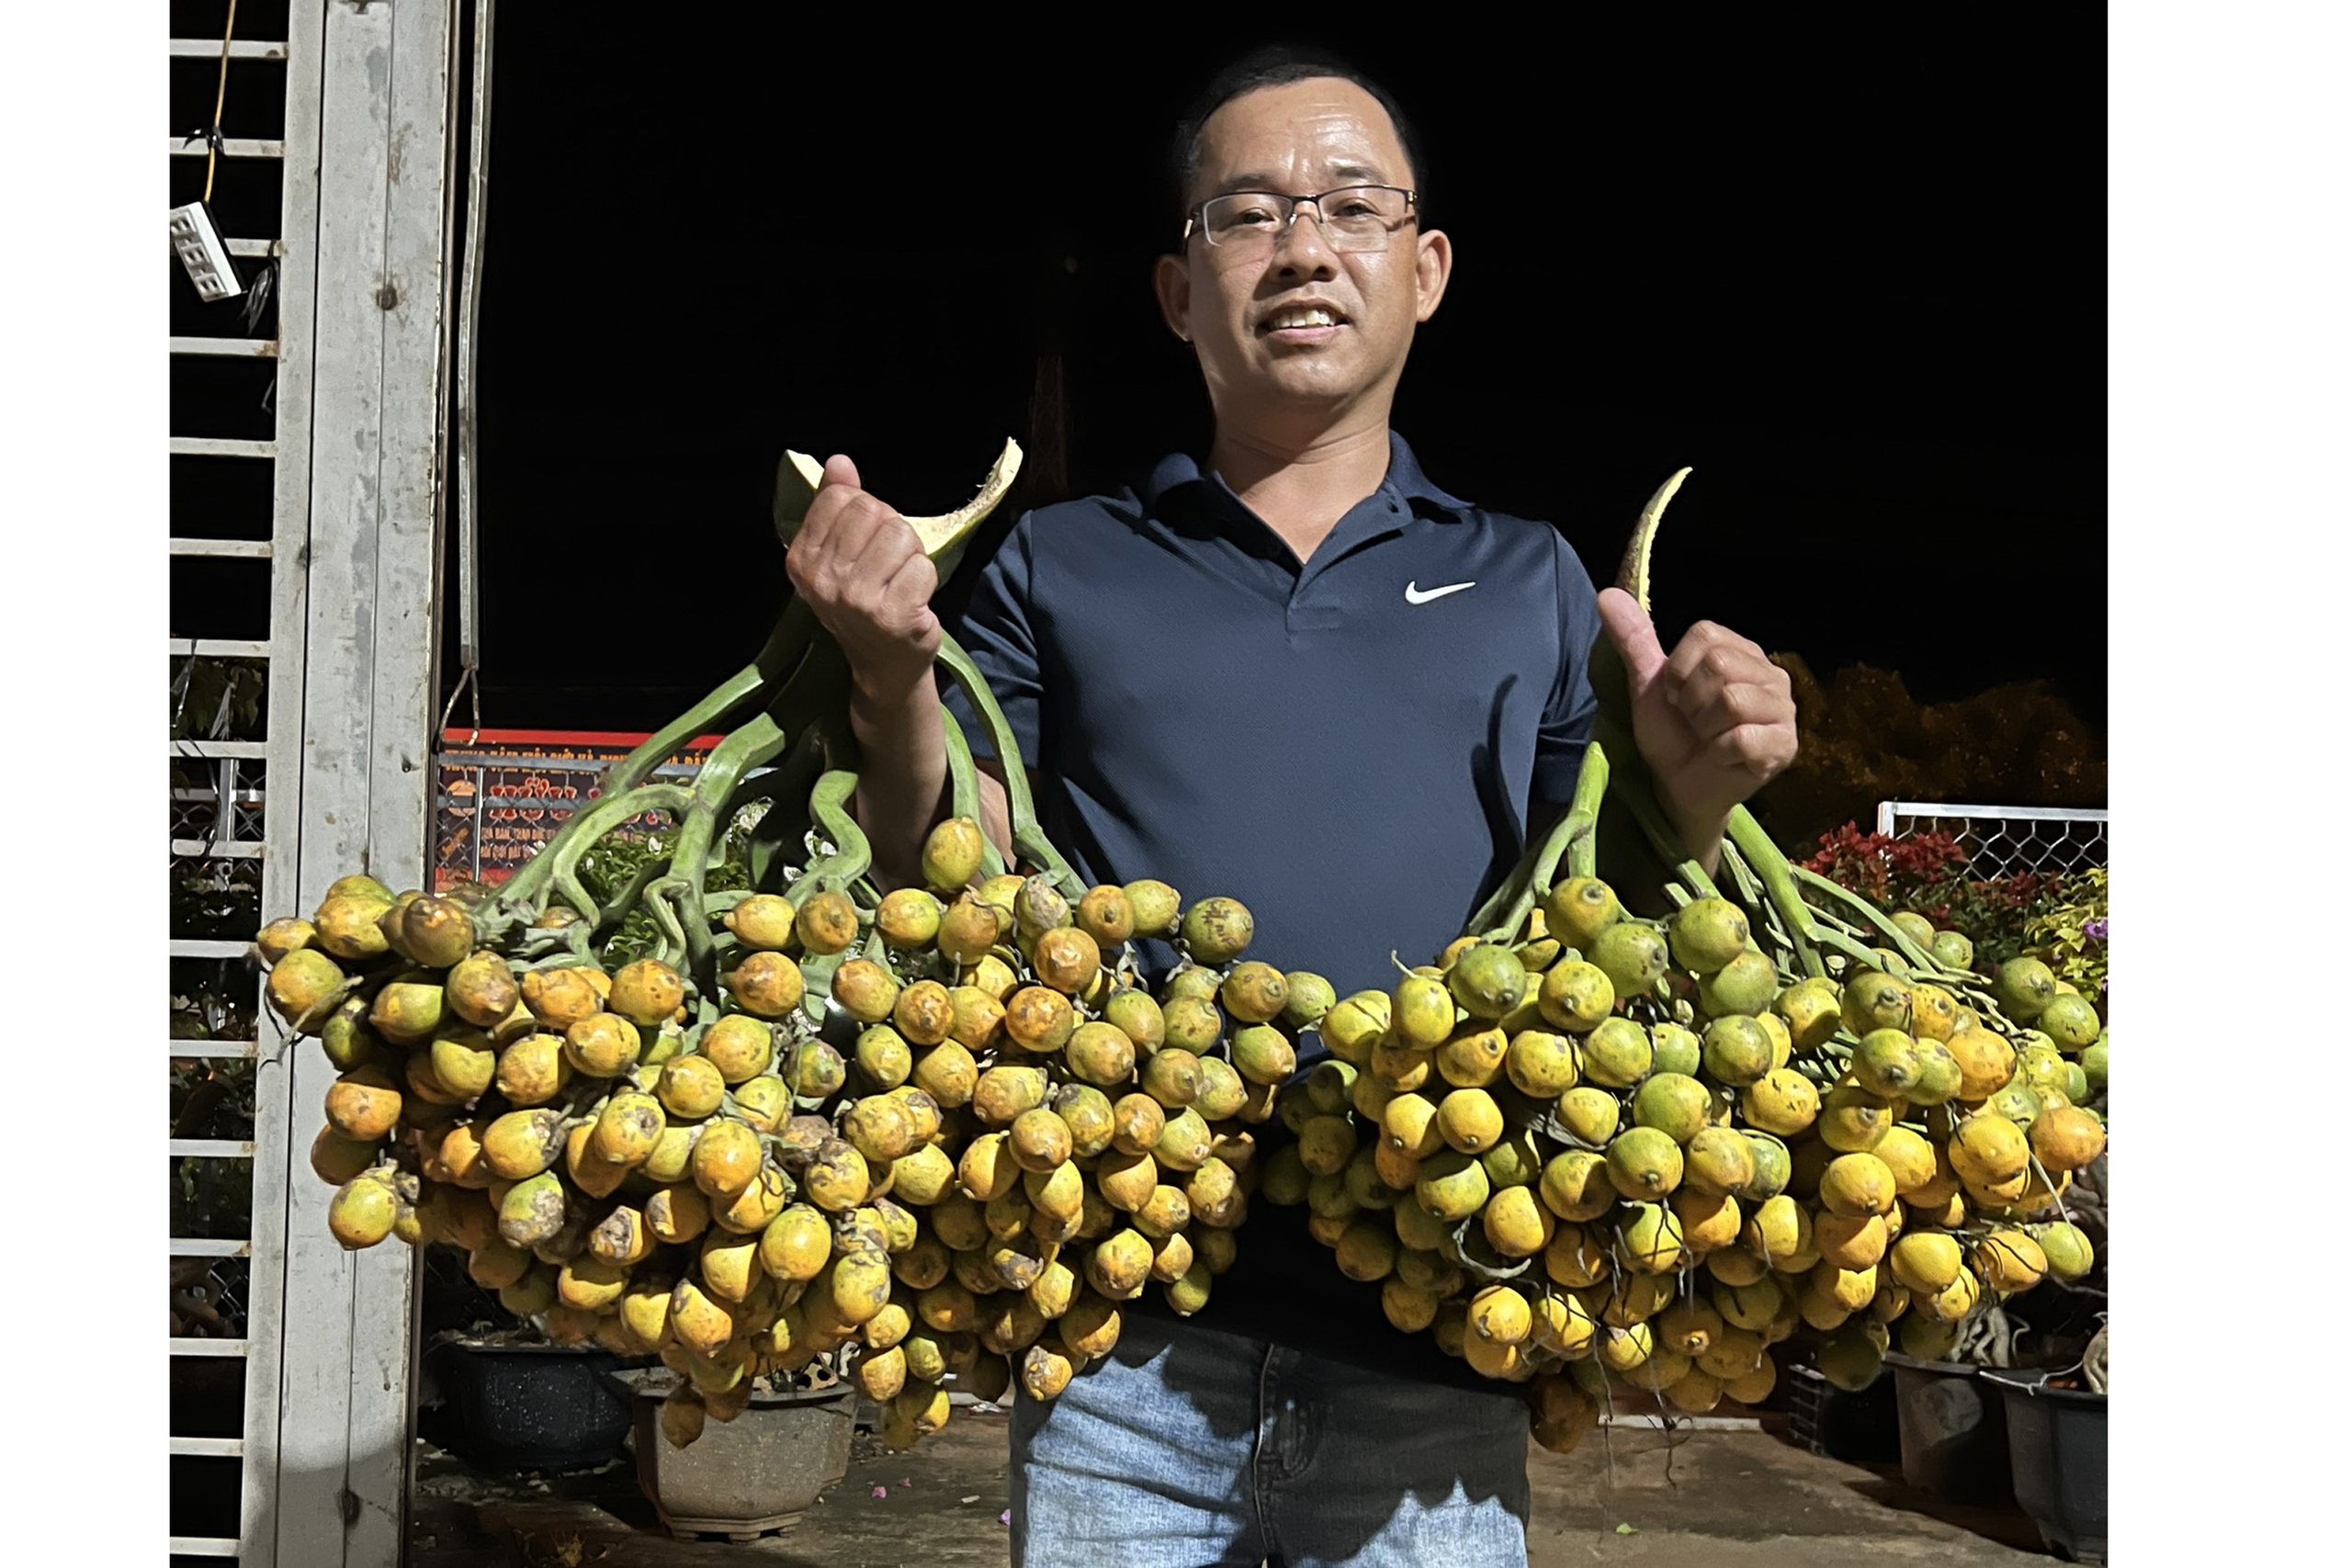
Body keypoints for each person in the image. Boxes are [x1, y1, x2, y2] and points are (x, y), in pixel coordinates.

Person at [780, 46, 1798, 1568]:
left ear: (1427, 269)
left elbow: (1606, 920)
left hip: (1439, 1340)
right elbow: (958, 869)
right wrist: (887, 677)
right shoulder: (1064, 564)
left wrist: (1691, 789)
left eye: (1353, 208)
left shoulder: (1529, 576)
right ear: (1179, 291)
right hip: (1118, 1331)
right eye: (1246, 214)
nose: (1304, 246)